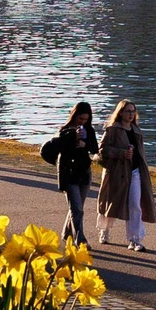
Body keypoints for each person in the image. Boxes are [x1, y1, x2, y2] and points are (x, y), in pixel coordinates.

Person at [97, 101, 153, 252]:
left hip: (134, 172)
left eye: (133, 111)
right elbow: (102, 150)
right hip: (116, 172)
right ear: (120, 112)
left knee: (135, 205)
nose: (130, 114)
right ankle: (104, 230)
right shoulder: (112, 130)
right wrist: (121, 153)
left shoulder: (136, 131)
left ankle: (135, 239)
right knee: (111, 203)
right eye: (128, 111)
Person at [41, 101, 98, 240]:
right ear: (74, 116)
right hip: (69, 173)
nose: (83, 122)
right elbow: (52, 148)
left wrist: (85, 143)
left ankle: (67, 234)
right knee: (77, 209)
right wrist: (73, 137)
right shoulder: (64, 131)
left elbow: (95, 149)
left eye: (86, 119)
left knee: (77, 208)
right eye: (80, 119)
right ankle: (80, 239)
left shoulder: (89, 130)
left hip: (84, 172)